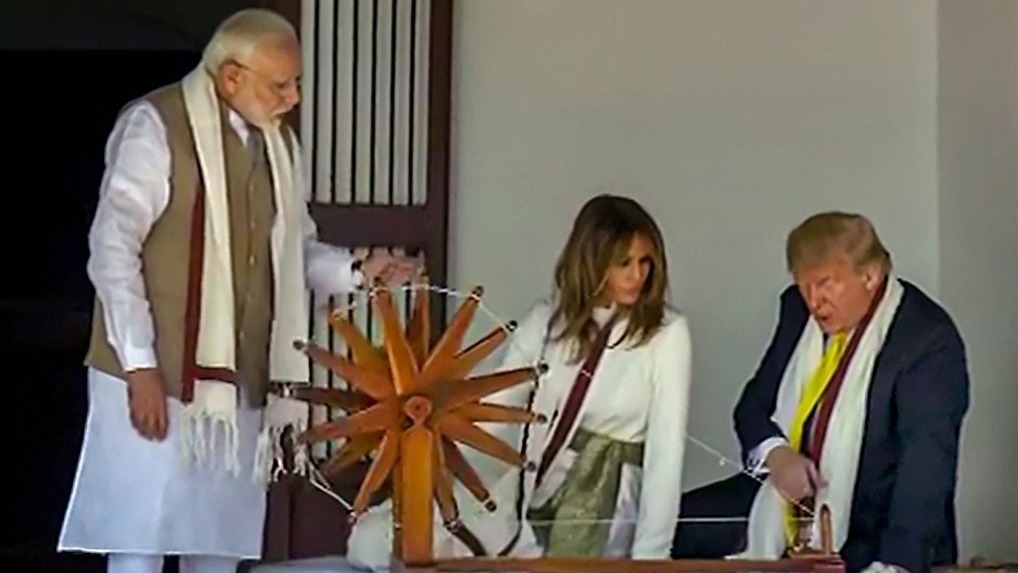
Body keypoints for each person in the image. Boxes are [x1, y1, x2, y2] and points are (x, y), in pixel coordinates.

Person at [57, 8, 420, 573]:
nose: (294, 98)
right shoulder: (157, 126)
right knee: (140, 541)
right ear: (232, 77)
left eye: (296, 83)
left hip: (236, 383)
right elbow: (112, 249)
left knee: (218, 546)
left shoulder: (278, 148)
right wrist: (139, 367)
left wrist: (359, 270)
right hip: (153, 373)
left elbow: (294, 252)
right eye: (281, 85)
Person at [344, 193, 693, 570]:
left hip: (603, 499)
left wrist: (652, 560)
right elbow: (494, 408)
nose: (637, 275)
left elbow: (666, 454)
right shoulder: (547, 322)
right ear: (592, 260)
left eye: (645, 262)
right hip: (526, 486)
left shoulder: (666, 334)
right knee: (376, 540)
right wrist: (432, 454)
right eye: (624, 263)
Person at [671, 212, 969, 573]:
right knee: (668, 528)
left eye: (826, 283)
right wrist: (778, 455)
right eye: (804, 284)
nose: (814, 301)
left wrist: (894, 565)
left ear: (870, 276)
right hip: (778, 501)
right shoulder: (797, 310)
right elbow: (752, 407)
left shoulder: (927, 340)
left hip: (871, 522)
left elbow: (925, 472)